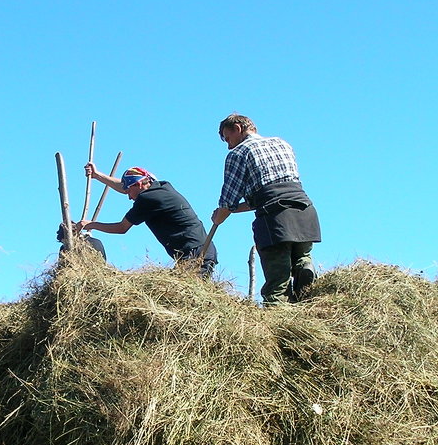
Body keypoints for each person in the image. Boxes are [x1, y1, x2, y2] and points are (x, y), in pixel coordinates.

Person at [211, 114, 321, 304]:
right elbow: (269, 190)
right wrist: (234, 209)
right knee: (301, 257)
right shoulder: (282, 143)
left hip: (274, 218)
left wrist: (219, 217)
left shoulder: (238, 153)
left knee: (277, 282)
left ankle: (278, 323)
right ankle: (304, 267)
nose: (229, 145)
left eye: (228, 138)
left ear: (238, 128)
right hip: (303, 209)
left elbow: (228, 201)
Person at [76, 164, 217, 276]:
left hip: (196, 253)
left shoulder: (148, 199)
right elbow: (124, 186)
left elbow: (121, 228)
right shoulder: (160, 187)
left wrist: (91, 224)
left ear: (139, 185)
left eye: (129, 192)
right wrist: (98, 175)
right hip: (198, 250)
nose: (129, 197)